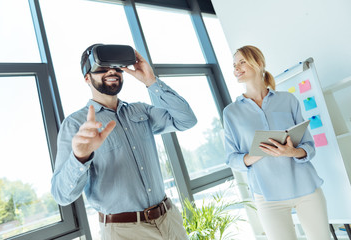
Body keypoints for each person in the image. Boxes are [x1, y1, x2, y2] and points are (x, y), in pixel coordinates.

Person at [51, 44, 197, 240]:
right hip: (124, 231)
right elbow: (61, 195)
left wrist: (152, 82)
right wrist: (80, 156)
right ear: (87, 78)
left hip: (169, 220)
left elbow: (186, 120)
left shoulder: (140, 111)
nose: (111, 71)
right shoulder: (76, 124)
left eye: (116, 67)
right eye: (101, 68)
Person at [223, 45, 330, 240]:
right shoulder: (231, 112)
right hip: (267, 195)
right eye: (234, 65)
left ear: (259, 63)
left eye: (242, 62)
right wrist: (255, 154)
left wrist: (291, 152)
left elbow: (308, 146)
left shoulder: (288, 100)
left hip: (306, 188)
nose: (236, 68)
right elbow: (231, 159)